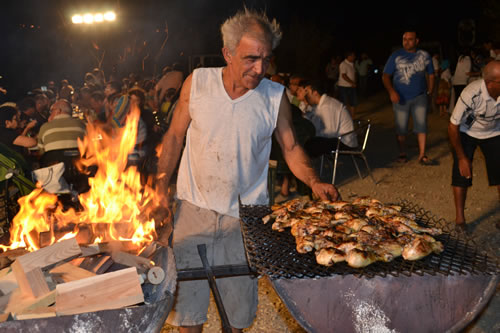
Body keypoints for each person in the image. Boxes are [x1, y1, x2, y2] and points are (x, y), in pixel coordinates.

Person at [156, 9, 338, 333]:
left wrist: (314, 181)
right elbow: (173, 136)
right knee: (188, 314)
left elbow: (291, 147)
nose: (259, 69)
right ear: (227, 53)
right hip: (193, 211)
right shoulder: (197, 83)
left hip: (245, 217)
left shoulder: (274, 97)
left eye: (266, 59)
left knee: (237, 317)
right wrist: (159, 187)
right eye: (250, 58)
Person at [448, 60, 500, 231]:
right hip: (467, 133)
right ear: (490, 83)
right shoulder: (472, 93)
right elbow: (453, 126)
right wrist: (462, 158)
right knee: (461, 174)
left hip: (494, 132)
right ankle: (460, 220)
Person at [382, 30, 436, 165]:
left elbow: (431, 74)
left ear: (417, 41)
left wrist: (429, 91)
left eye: (410, 39)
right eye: (404, 39)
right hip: (401, 98)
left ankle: (422, 155)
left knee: (421, 125)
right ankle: (402, 153)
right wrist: (391, 91)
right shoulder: (395, 56)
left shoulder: (424, 56)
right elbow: (385, 76)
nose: (406, 42)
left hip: (420, 96)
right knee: (401, 127)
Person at [298, 80, 357, 159]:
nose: (305, 95)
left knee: (307, 145)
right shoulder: (319, 105)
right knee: (303, 140)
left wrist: (312, 136)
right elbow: (308, 120)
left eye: (307, 92)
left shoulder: (328, 106)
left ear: (315, 93)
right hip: (336, 139)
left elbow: (330, 133)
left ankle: (305, 167)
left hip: (344, 142)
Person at [337, 51, 357, 118]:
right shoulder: (343, 64)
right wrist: (352, 82)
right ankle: (345, 118)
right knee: (344, 103)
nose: (354, 57)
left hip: (351, 86)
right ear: (349, 56)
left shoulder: (352, 64)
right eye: (353, 56)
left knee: (353, 102)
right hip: (344, 86)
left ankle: (352, 117)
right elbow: (343, 75)